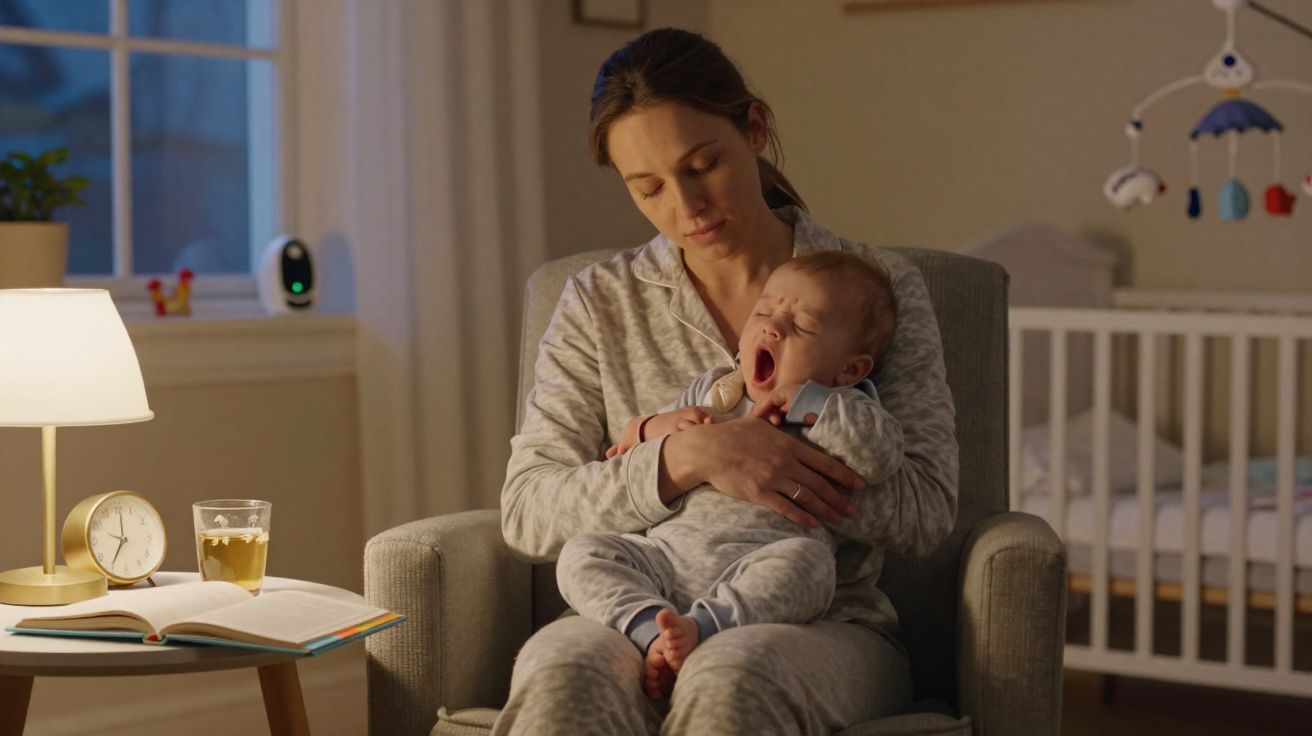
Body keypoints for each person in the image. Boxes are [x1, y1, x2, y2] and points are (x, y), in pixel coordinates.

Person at [496, 27, 958, 736]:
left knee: (731, 677)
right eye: (647, 188)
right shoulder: (599, 301)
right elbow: (529, 509)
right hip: (637, 606)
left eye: (704, 165)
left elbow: (927, 511)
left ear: (754, 130)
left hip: (821, 622)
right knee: (564, 677)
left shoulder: (873, 292)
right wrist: (688, 459)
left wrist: (782, 473)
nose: (686, 207)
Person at [555, 251, 898, 701]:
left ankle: (702, 627)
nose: (773, 327)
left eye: (803, 326)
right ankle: (647, 626)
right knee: (582, 552)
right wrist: (653, 429)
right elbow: (632, 444)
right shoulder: (714, 390)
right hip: (664, 560)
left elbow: (880, 456)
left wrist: (810, 401)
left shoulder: (845, 405)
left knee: (811, 567)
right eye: (764, 312)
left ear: (849, 369)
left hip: (760, 563)